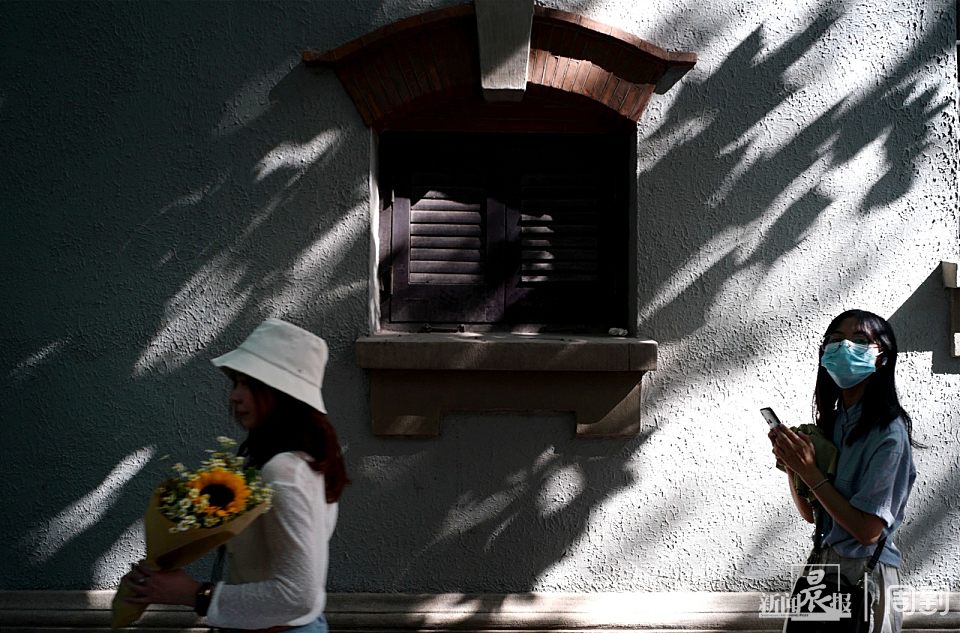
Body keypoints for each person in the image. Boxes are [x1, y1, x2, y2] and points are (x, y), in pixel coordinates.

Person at [123, 318, 348, 633]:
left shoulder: (285, 471)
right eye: (236, 383)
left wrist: (194, 594)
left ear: (281, 394)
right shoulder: (303, 461)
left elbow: (297, 595)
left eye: (248, 384)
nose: (235, 396)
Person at [770, 309, 916, 633]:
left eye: (860, 341)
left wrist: (810, 472)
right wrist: (794, 468)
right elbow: (812, 514)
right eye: (835, 340)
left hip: (865, 576)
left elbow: (868, 531)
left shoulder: (889, 433)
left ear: (882, 358)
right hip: (822, 569)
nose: (845, 347)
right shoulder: (834, 422)